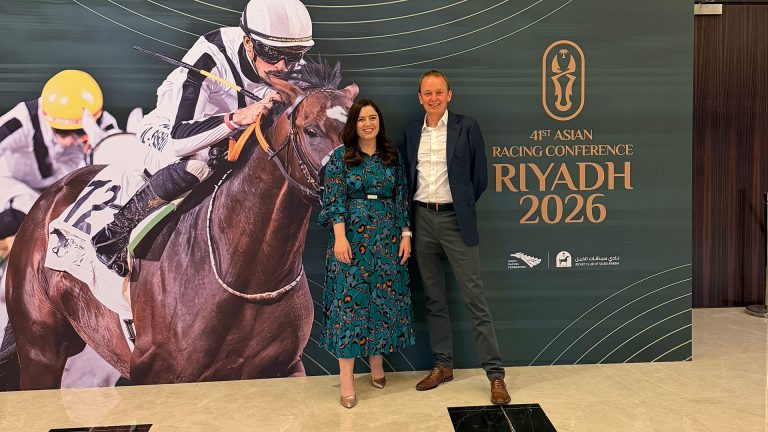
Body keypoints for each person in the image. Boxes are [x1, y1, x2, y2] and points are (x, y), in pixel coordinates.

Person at [91, 0, 316, 277]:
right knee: (198, 162)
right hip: (168, 131)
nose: (283, 66)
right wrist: (238, 117)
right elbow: (180, 139)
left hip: (231, 135)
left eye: (294, 55)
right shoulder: (210, 57)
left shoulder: (292, 66)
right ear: (248, 43)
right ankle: (112, 235)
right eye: (271, 54)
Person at [403, 70, 511, 404]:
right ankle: (443, 366)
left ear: (449, 95)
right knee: (434, 299)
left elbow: (480, 178)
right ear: (420, 98)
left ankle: (495, 375)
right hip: (422, 220)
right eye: (427, 93)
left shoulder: (468, 127)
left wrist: (459, 207)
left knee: (474, 298)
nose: (433, 98)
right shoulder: (411, 131)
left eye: (439, 92)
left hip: (456, 221)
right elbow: (408, 177)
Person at [318, 99, 416, 409]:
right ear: (354, 124)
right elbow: (334, 199)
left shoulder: (391, 156)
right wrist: (339, 237)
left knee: (383, 303)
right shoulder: (341, 157)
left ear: (379, 121)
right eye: (361, 119)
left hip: (387, 239)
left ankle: (377, 363)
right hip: (351, 239)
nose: (368, 123)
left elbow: (401, 197)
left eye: (372, 117)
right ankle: (347, 379)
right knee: (350, 306)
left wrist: (405, 234)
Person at [0, 69, 119, 247]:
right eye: (63, 131)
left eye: (80, 132)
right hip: (15, 183)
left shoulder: (103, 126)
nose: (72, 141)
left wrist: (100, 144)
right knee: (27, 207)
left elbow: (121, 165)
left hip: (62, 192)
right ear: (45, 117)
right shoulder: (22, 119)